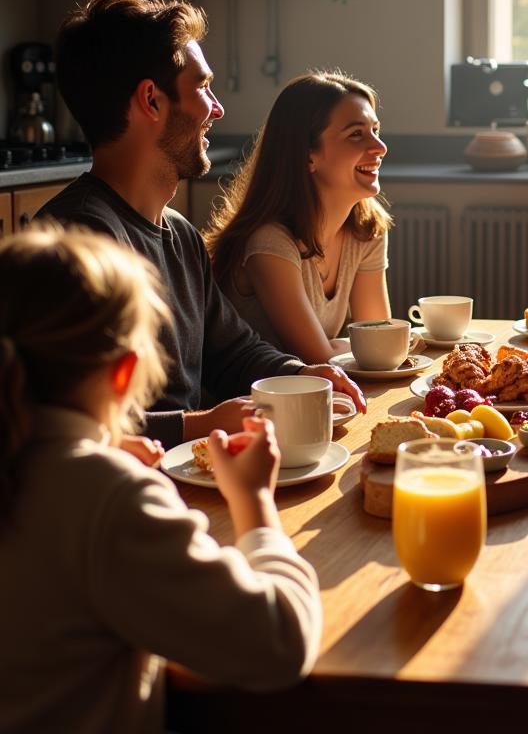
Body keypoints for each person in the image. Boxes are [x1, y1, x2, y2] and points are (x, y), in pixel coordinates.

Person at [0, 226, 322, 734]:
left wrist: (101, 454)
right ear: (125, 374)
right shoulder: (106, 498)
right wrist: (255, 501)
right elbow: (278, 645)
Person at [40, 0, 365, 447]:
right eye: (202, 87)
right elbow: (63, 426)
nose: (217, 108)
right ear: (151, 100)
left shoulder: (180, 233)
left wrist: (304, 374)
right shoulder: (77, 242)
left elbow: (231, 352)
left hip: (190, 473)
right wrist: (201, 424)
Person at [204, 71, 393, 363]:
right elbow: (317, 358)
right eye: (356, 134)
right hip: (254, 403)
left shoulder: (366, 229)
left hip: (314, 396)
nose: (380, 148)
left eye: (375, 131)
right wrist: (372, 347)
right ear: (308, 156)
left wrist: (372, 348)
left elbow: (381, 346)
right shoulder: (270, 242)